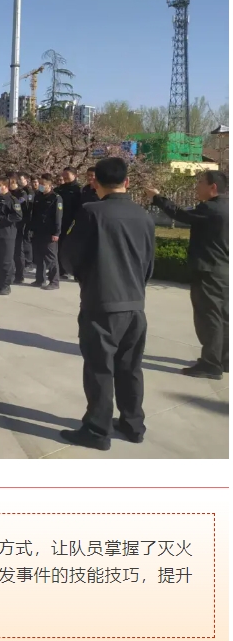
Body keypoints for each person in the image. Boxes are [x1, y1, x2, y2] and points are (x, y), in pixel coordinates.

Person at [60, 157, 155, 451]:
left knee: (100, 369)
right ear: (127, 181)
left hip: (101, 304)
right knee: (130, 368)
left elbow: (69, 256)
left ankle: (97, 430)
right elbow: (149, 262)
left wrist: (85, 276)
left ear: (95, 183)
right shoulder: (143, 215)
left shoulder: (91, 212)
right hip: (135, 305)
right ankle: (133, 424)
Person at [146, 170, 229, 379]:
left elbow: (181, 214)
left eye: (200, 182)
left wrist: (157, 197)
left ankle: (211, 364)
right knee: (223, 316)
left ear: (213, 187)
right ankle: (224, 359)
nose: (196, 186)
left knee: (209, 318)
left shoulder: (210, 209)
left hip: (209, 270)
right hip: (224, 270)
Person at [31, 173, 62, 290]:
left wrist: (56, 233)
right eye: (40, 183)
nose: (40, 186)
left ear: (49, 185)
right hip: (38, 230)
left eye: (43, 184)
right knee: (39, 256)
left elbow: (58, 217)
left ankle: (54, 281)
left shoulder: (56, 198)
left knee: (50, 258)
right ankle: (40, 279)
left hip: (49, 232)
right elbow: (34, 214)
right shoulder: (38, 196)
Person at [55, 167, 82, 279]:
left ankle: (72, 271)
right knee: (59, 246)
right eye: (64, 174)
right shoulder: (59, 189)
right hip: (60, 221)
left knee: (71, 247)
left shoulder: (78, 190)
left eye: (67, 175)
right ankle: (60, 270)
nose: (65, 177)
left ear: (74, 175)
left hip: (72, 222)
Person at [9, 174, 31, 284]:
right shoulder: (9, 193)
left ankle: (19, 275)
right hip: (9, 225)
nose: (10, 184)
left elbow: (17, 205)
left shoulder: (22, 193)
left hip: (19, 225)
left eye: (12, 182)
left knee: (18, 251)